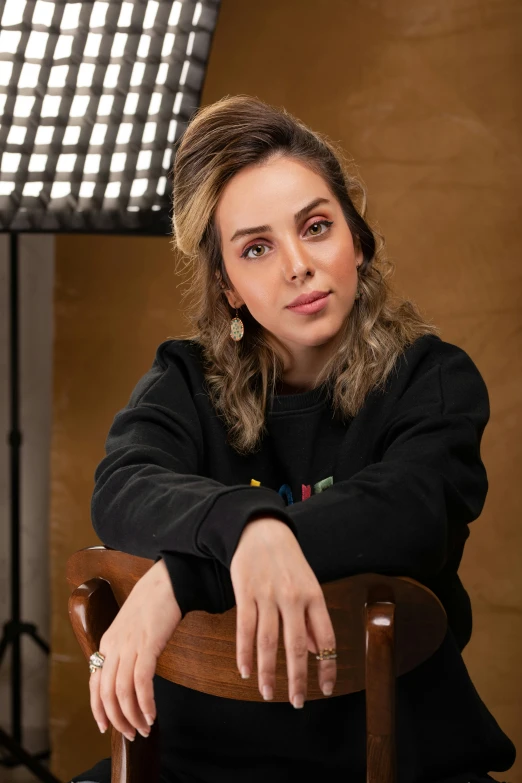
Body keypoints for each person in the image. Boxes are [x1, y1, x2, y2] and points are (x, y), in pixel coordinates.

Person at [70, 95, 516, 783]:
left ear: (358, 241)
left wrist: (190, 571)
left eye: (316, 227)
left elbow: (410, 509)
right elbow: (123, 486)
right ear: (229, 288)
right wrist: (247, 532)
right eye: (256, 247)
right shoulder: (182, 380)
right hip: (196, 763)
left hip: (399, 758)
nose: (297, 265)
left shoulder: (432, 377)